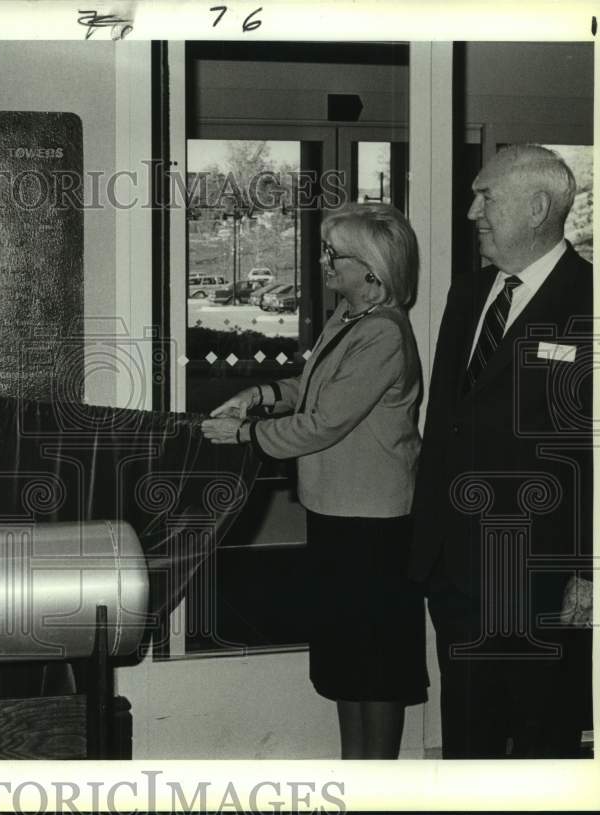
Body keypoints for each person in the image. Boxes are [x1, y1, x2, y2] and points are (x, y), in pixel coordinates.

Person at [201, 202, 427, 759]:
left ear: (371, 271)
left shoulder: (384, 334)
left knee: (374, 671)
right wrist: (258, 395)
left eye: (335, 254)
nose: (324, 262)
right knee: (348, 665)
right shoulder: (348, 318)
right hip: (338, 514)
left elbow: (325, 423)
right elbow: (312, 386)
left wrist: (246, 435)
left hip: (374, 525)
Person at [409, 144, 593, 759]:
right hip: (455, 569)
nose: (471, 211)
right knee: (468, 737)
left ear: (538, 207)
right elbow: (445, 426)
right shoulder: (467, 296)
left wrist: (589, 568)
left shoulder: (588, 302)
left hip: (541, 574)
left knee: (545, 742)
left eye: (486, 196)